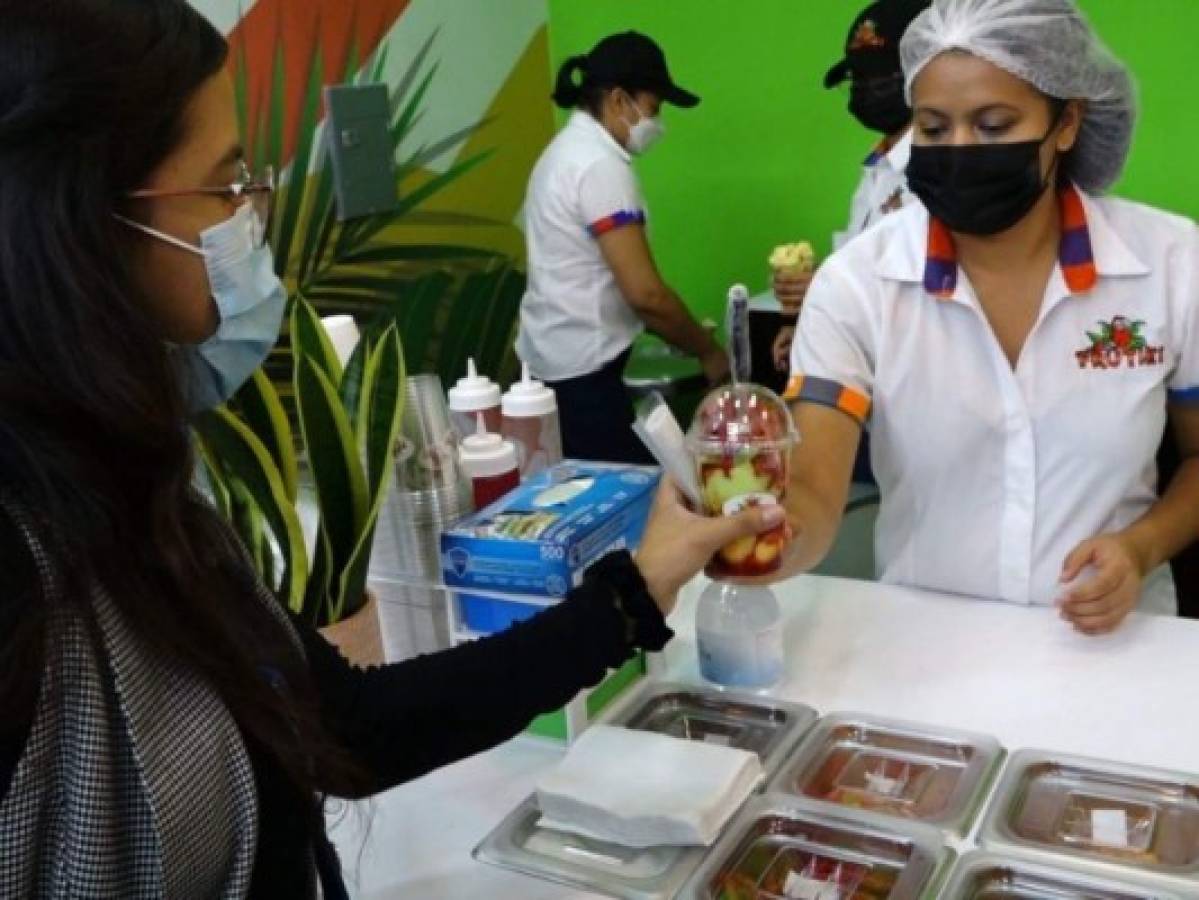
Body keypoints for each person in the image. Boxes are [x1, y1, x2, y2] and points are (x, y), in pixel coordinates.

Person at [0, 4, 785, 897]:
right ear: (73, 227)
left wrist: (634, 590)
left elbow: (349, 726)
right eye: (224, 188)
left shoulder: (137, 497)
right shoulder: (27, 571)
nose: (249, 219)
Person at [779, 0, 1199, 634]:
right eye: (933, 127)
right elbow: (812, 491)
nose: (960, 150)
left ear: (1067, 123)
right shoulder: (859, 286)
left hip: (1118, 652)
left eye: (995, 125)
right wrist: (761, 535)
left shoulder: (1171, 264)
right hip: (925, 652)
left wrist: (1140, 548)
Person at [516, 32, 729, 466]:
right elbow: (646, 295)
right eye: (653, 109)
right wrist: (707, 351)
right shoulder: (599, 166)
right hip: (585, 379)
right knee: (631, 507)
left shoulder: (562, 153)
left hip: (548, 366)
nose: (657, 123)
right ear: (618, 100)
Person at [772, 0, 930, 374]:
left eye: (878, 79)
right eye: (856, 80)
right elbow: (860, 262)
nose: (863, 91)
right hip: (865, 366)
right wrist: (810, 317)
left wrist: (827, 288)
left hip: (913, 370)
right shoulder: (877, 168)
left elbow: (925, 285)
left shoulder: (938, 168)